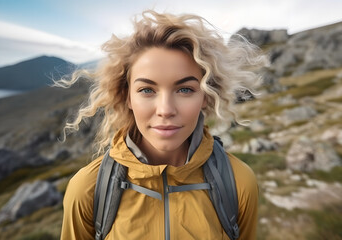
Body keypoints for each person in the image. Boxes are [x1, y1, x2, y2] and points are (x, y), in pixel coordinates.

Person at [59, 10, 266, 240]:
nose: (166, 109)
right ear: (127, 97)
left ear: (205, 96)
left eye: (185, 89)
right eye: (147, 90)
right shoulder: (87, 189)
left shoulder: (239, 184)